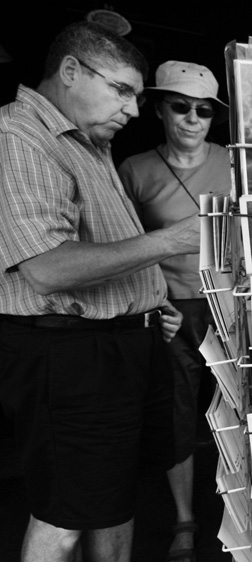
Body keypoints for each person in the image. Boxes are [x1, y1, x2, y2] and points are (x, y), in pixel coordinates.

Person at [0, 22, 201, 562]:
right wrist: (175, 239)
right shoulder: (19, 137)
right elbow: (45, 267)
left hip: (122, 343)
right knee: (63, 513)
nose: (134, 110)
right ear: (70, 70)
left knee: (113, 496)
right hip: (71, 355)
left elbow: (107, 247)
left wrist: (149, 303)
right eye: (122, 90)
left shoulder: (87, 140)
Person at [117, 59, 229, 562]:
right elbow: (122, 249)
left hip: (229, 305)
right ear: (159, 108)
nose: (191, 118)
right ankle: (185, 516)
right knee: (177, 413)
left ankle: (247, 509)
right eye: (181, 106)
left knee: (244, 409)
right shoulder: (135, 169)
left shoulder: (234, 163)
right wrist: (154, 302)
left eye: (203, 111)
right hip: (168, 309)